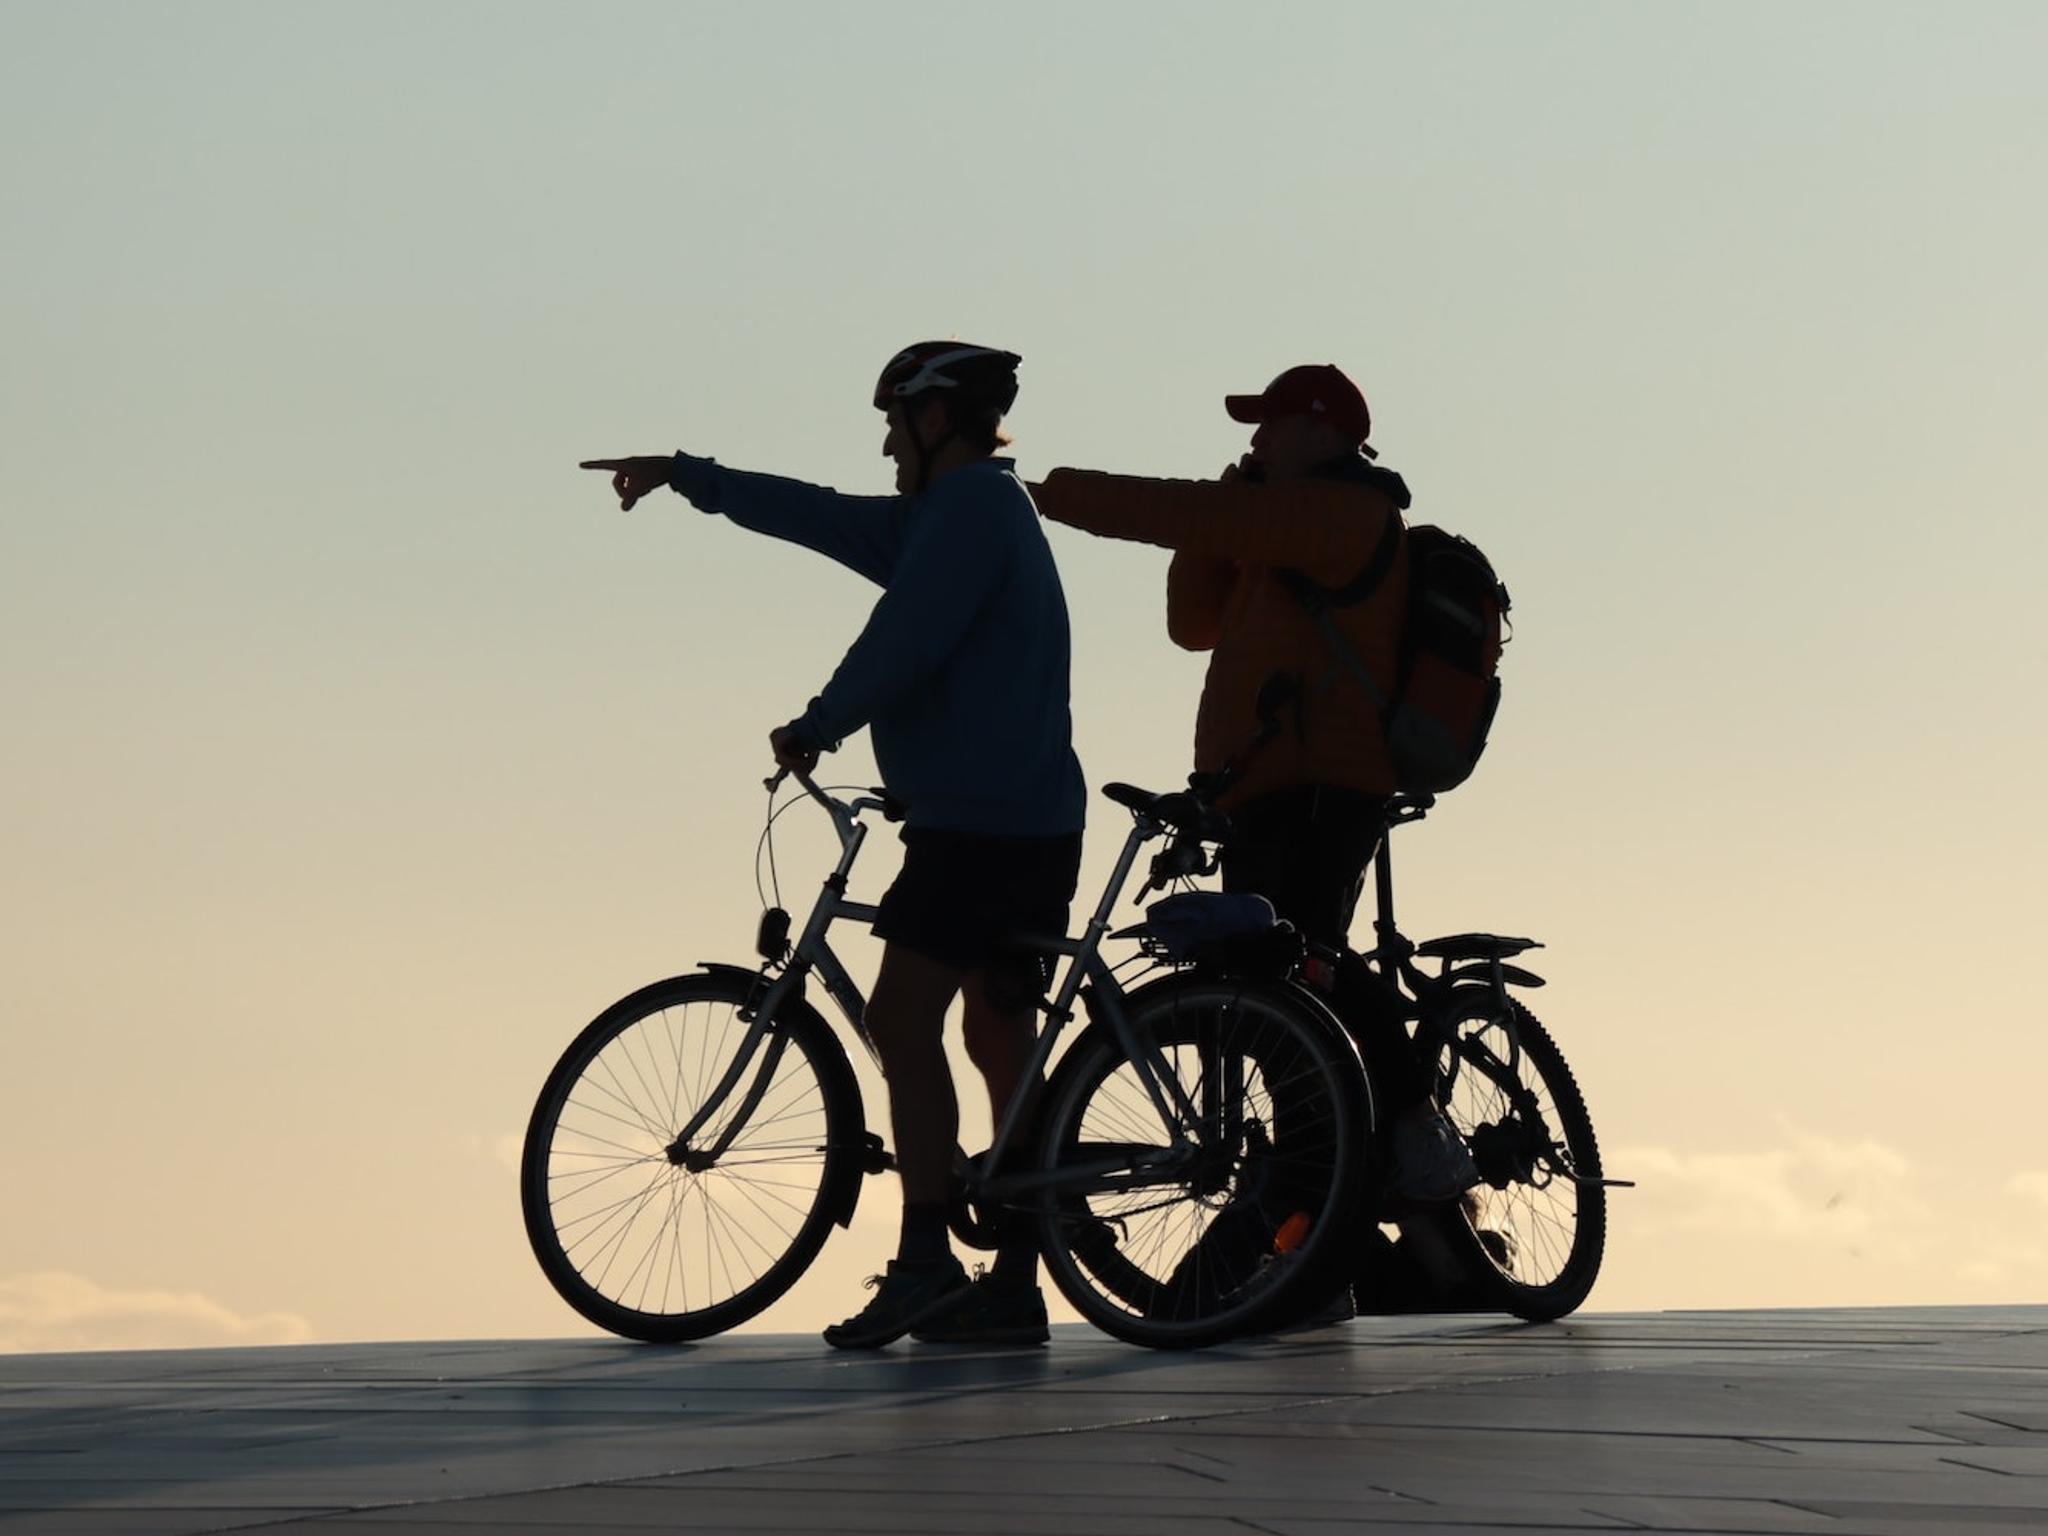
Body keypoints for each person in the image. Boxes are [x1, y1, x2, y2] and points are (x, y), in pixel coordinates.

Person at [581, 342, 1085, 1349]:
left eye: (895, 422)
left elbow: (909, 637)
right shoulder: (953, 515)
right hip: (1019, 817)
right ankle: (1014, 1284)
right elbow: (816, 513)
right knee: (995, 1038)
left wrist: (820, 722)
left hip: (979, 825)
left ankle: (925, 1264)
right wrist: (692, 478)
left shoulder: (970, 515)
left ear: (936, 419)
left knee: (905, 1024)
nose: (887, 442)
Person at [1030, 363, 1478, 1207]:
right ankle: (1314, 1206)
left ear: (1321, 430)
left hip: (1324, 786)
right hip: (1255, 791)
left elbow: (1184, 511)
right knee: (1269, 998)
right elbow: (1190, 624)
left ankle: (1412, 1130)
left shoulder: (1344, 513)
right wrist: (1223, 522)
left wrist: (1051, 493)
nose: (1255, 439)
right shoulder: (1273, 527)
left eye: (1270, 424)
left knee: (1304, 972)